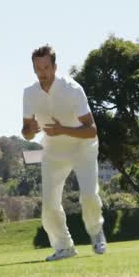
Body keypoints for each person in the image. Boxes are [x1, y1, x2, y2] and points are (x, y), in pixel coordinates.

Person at [21, 45, 107, 261]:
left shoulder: (72, 89)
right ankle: (64, 247)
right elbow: (27, 132)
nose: (43, 73)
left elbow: (92, 130)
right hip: (53, 151)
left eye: (46, 67)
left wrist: (62, 130)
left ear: (55, 66)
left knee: (88, 195)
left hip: (82, 147)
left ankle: (96, 233)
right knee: (49, 206)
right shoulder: (29, 93)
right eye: (38, 68)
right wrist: (29, 132)